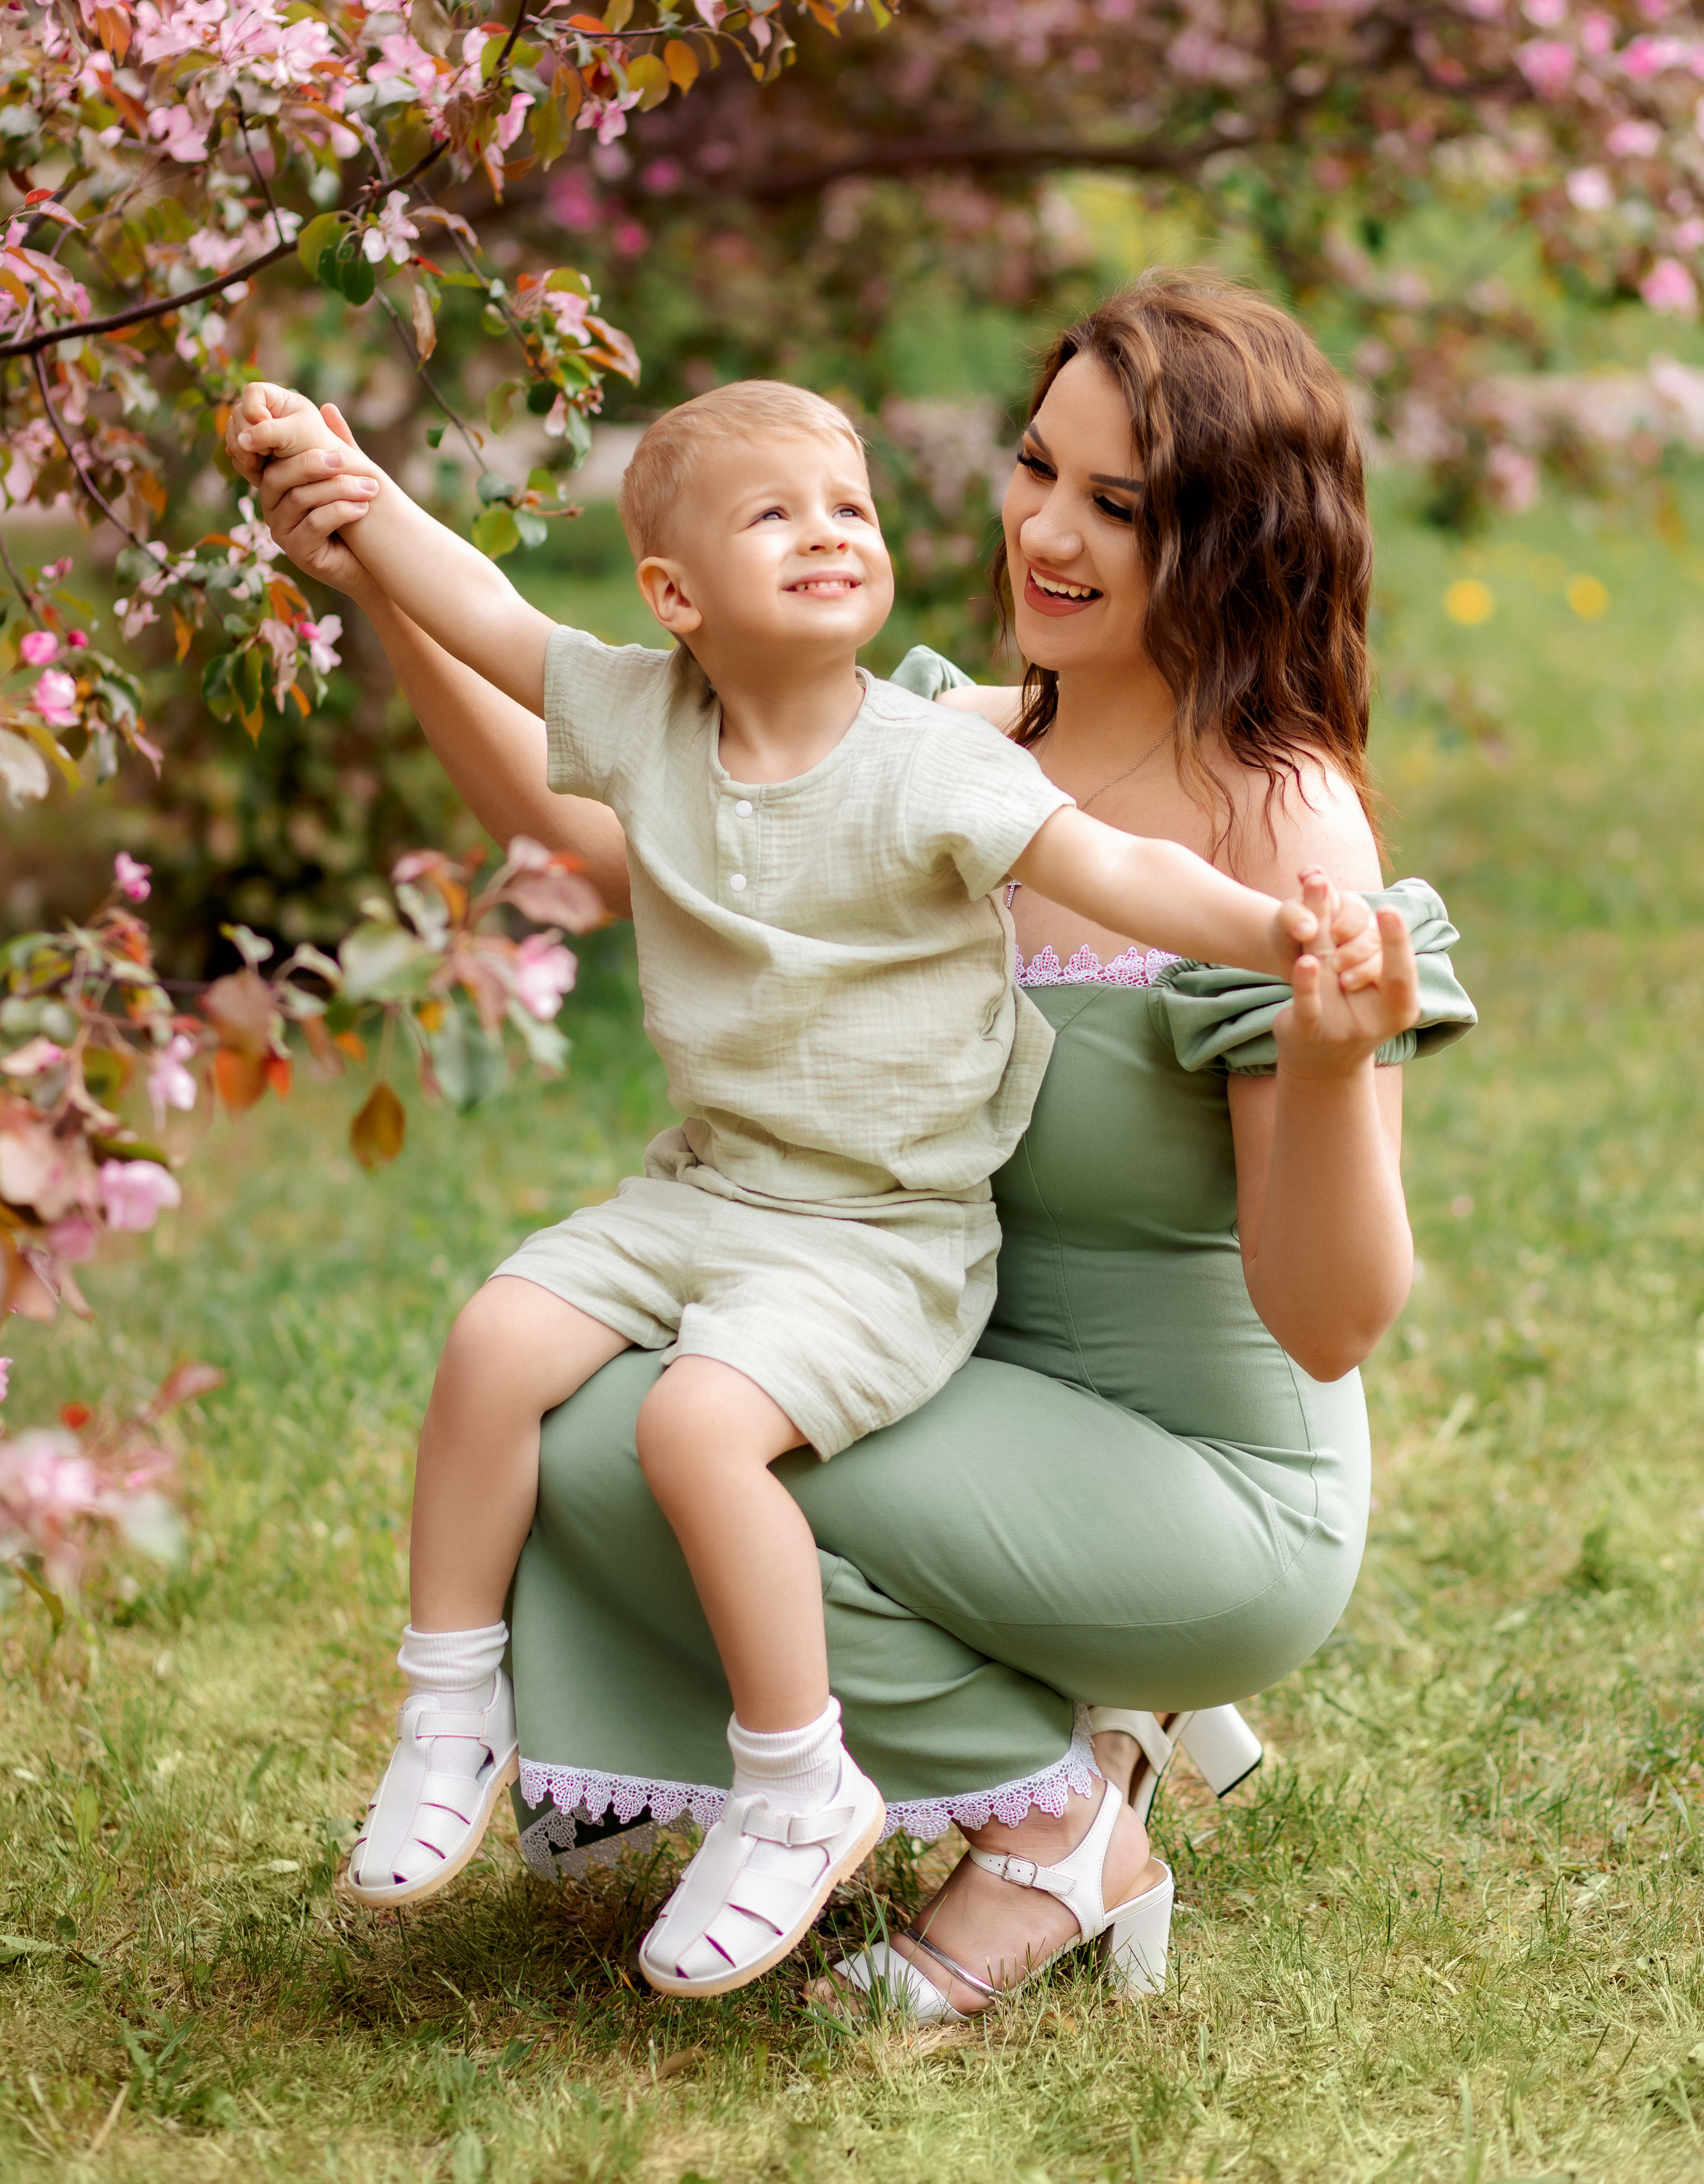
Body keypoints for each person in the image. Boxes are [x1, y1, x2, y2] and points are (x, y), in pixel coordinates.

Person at [250, 271, 1474, 2026]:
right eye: (1034, 467)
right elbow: (596, 828)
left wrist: (1339, 1062)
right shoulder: (948, 742)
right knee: (580, 1413)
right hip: (956, 1360)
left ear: (1230, 538)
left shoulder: (1278, 826)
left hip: (1207, 1476)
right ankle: (1039, 1741)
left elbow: (1335, 1319)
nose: (1045, 532)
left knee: (659, 1439)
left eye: (1116, 506)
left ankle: (1061, 1823)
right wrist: (381, 580)